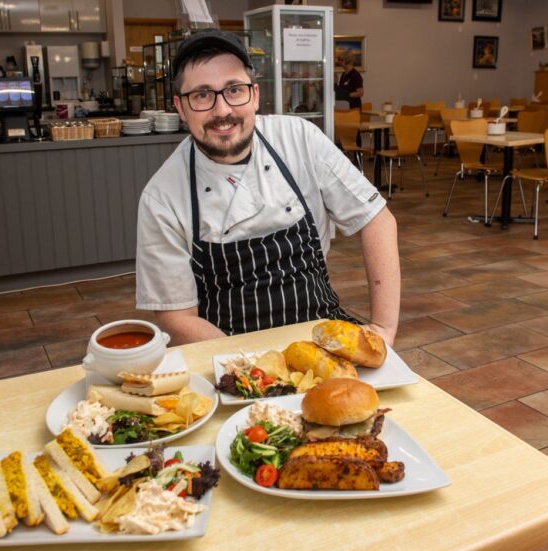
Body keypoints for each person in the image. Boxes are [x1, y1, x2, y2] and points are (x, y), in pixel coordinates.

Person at [135, 30, 399, 346]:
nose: (222, 111)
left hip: (321, 334)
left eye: (234, 90)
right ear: (180, 107)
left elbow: (376, 219)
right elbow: (176, 319)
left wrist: (383, 328)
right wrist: (252, 370)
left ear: (255, 95)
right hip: (224, 351)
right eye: (202, 95)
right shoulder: (162, 197)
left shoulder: (299, 139)